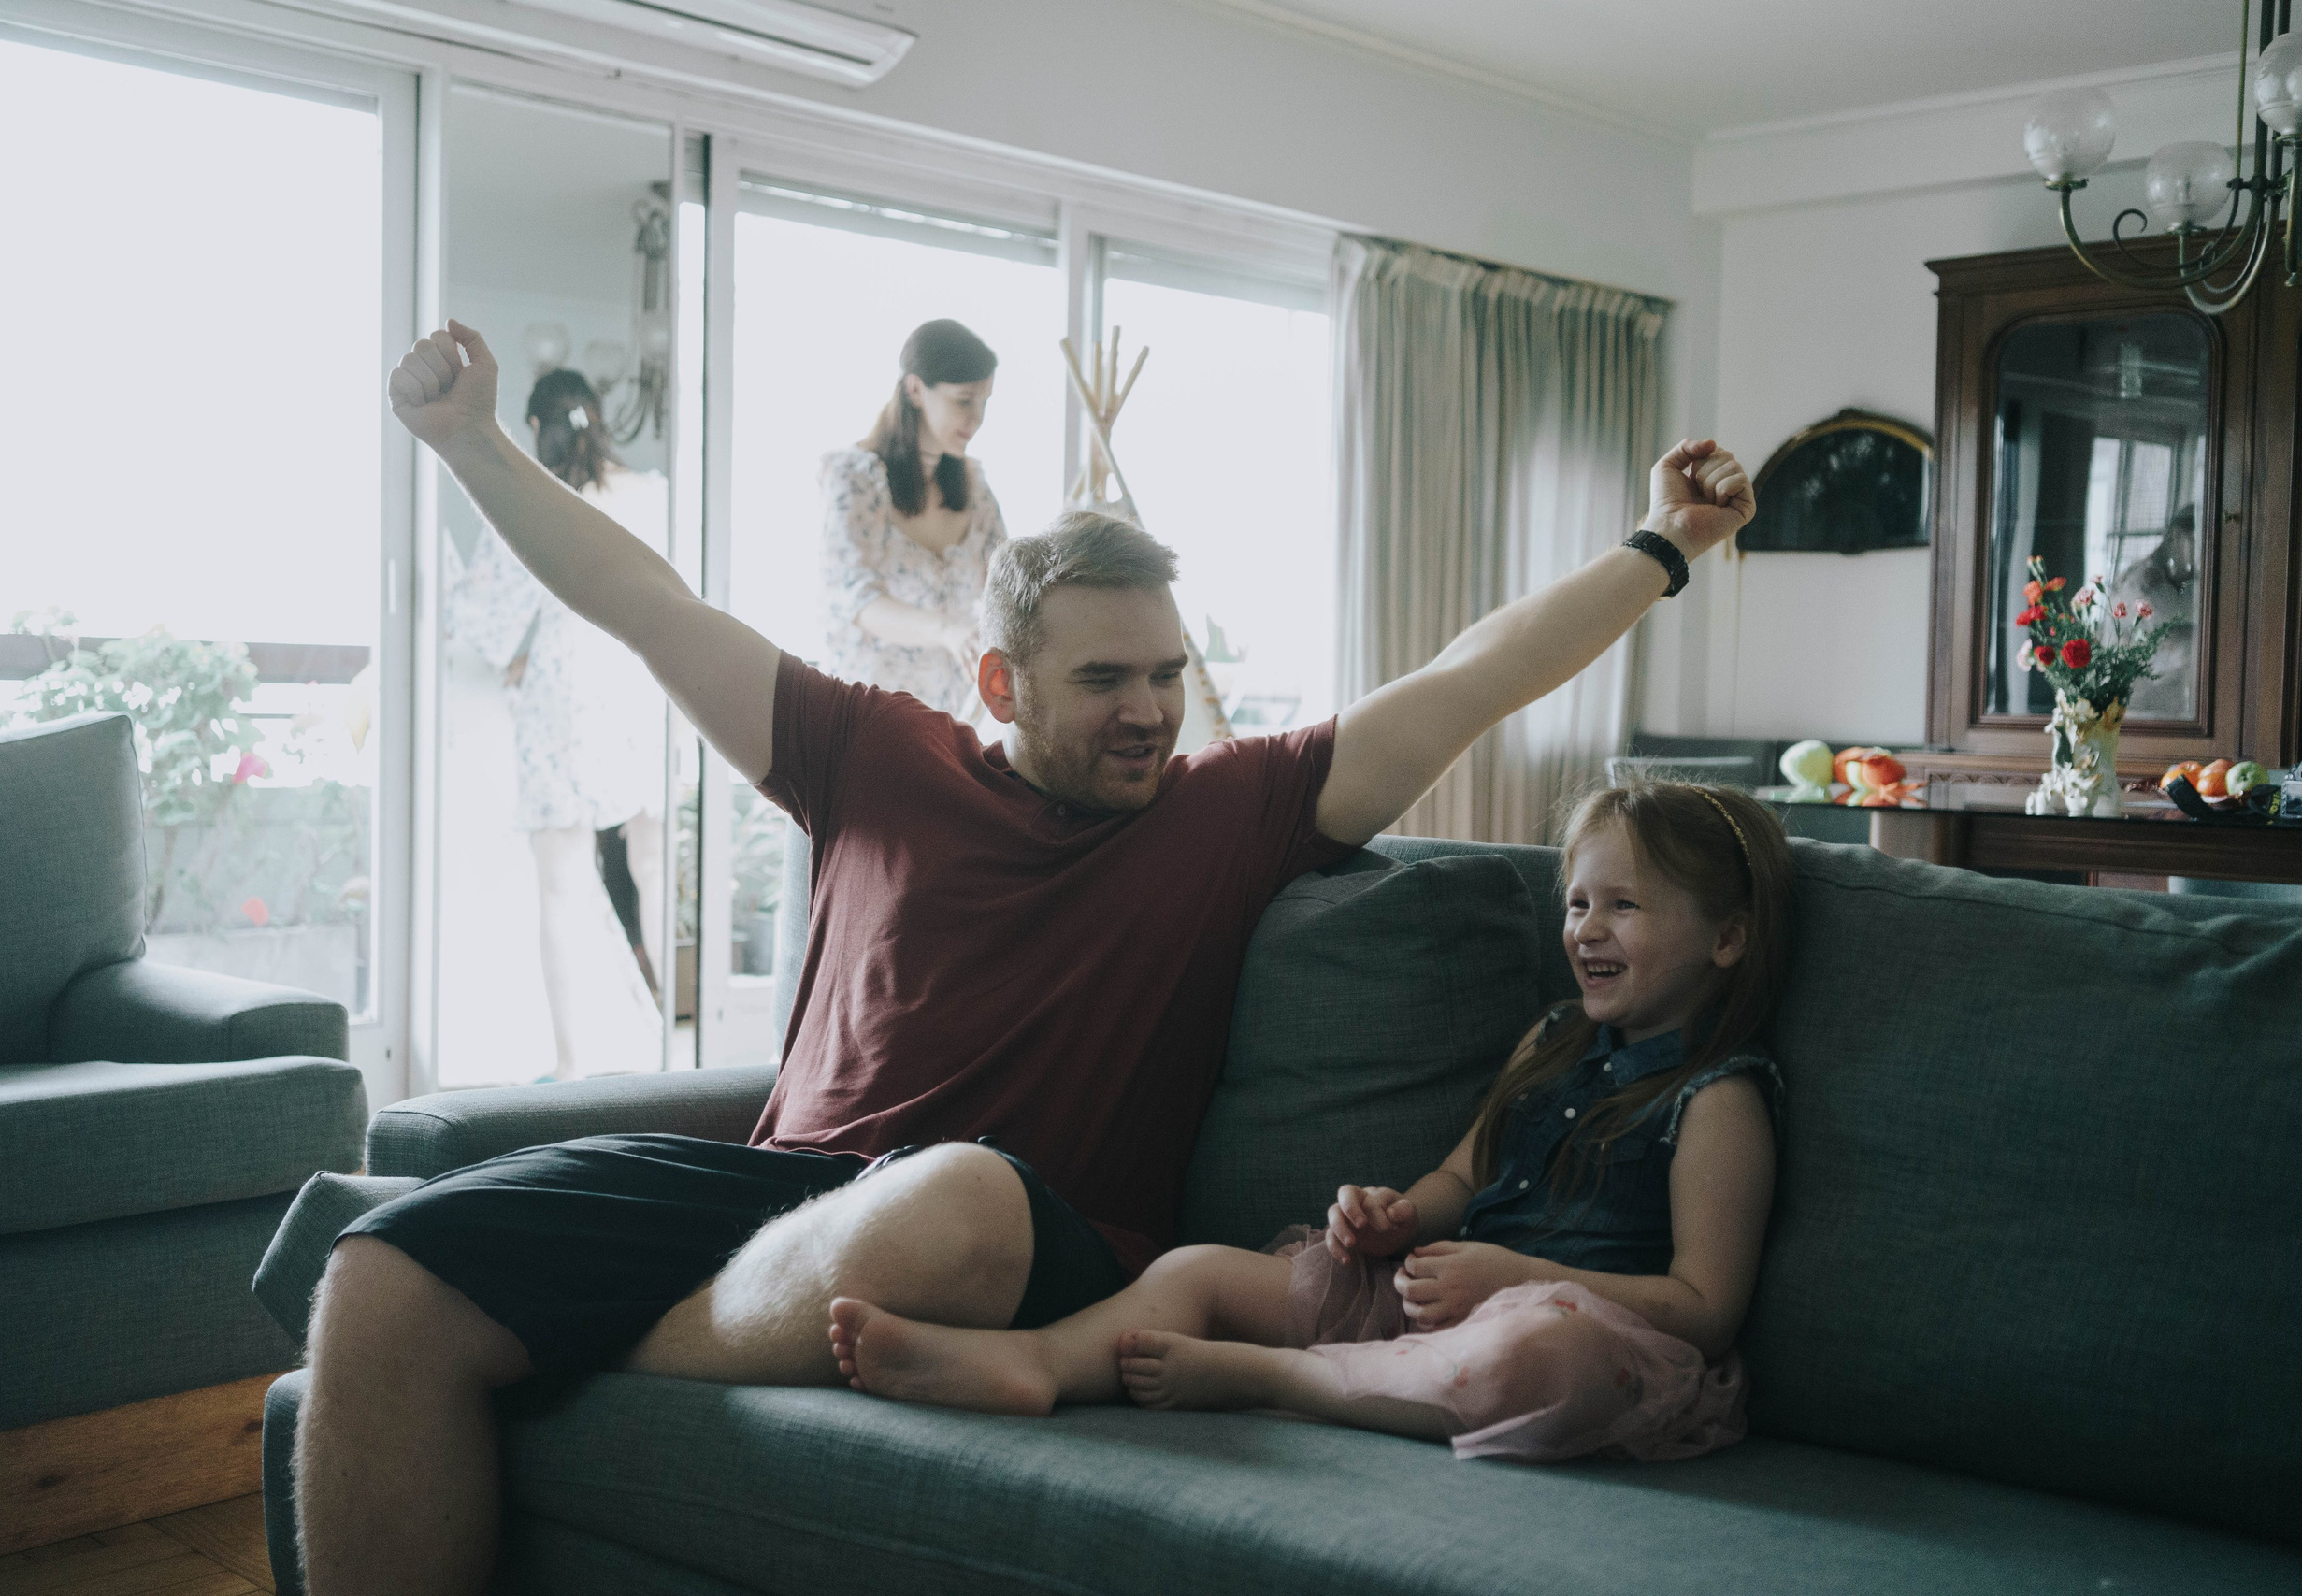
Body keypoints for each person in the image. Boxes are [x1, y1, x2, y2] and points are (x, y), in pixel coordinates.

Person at [300, 320, 1754, 1595]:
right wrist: (471, 440)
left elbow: (1469, 676)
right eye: (1106, 678)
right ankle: (552, 1318)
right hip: (776, 1198)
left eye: (1169, 675)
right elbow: (647, 602)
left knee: (961, 1194)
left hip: (1023, 1234)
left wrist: (1663, 549)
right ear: (999, 679)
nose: (1151, 713)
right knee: (376, 1276)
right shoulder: (868, 750)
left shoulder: (1230, 812)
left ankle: (572, 1339)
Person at [827, 783, 1789, 1465]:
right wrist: (1396, 1218)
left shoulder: (1717, 1099)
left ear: (1727, 937)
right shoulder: (1551, 1039)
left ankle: (1272, 1380)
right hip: (1437, 1297)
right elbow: (1458, 1181)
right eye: (1578, 902)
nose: (1585, 928)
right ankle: (1036, 1362)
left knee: (1532, 1357)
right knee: (1195, 1271)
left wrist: (1521, 1279)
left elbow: (1704, 1309)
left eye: (1624, 906)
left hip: (1582, 1338)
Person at [448, 368, 668, 1076]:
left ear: (535, 429)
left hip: (566, 695)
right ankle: (679, 1050)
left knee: (564, 883)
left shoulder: (535, 501)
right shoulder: (655, 493)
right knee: (655, 863)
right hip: (647, 683)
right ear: (600, 419)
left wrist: (513, 651)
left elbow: (484, 620)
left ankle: (573, 1068)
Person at [820, 318, 1008, 711]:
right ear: (916, 389)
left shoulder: (975, 486)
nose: (977, 419)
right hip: (870, 712)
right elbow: (855, 599)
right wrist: (948, 631)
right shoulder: (856, 476)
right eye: (964, 400)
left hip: (950, 716)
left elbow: (1008, 585)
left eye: (985, 403)